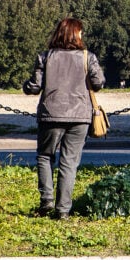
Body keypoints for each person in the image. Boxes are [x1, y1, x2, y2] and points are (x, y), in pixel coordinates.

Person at [23, 17, 105, 220]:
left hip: (50, 115)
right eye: (81, 32)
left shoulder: (45, 57)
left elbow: (34, 87)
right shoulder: (88, 57)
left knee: (45, 156)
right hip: (79, 117)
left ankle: (47, 201)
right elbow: (98, 83)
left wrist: (26, 85)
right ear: (76, 34)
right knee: (69, 163)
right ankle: (63, 210)